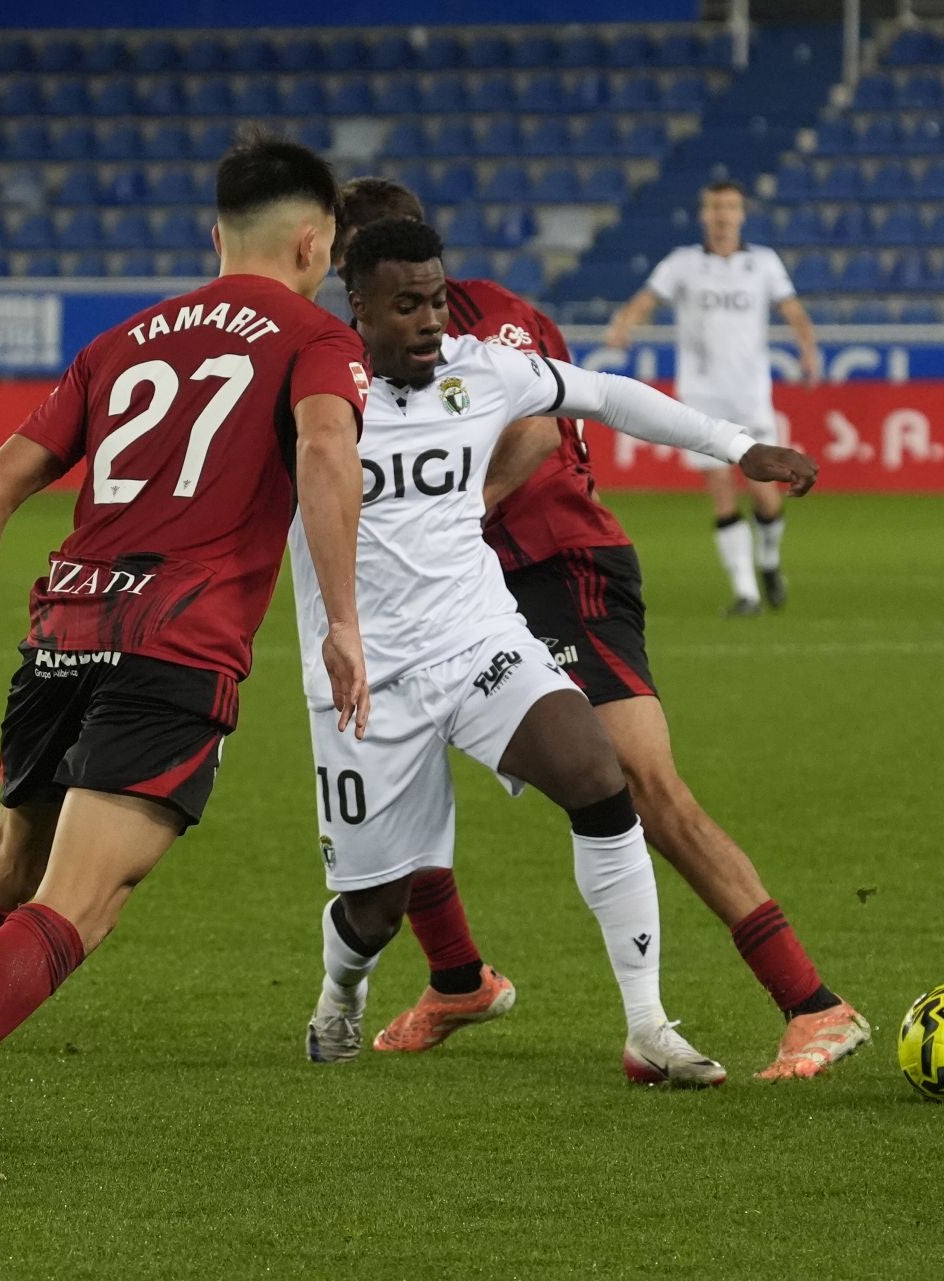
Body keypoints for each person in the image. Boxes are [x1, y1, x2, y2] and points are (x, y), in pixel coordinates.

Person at [0, 135, 373, 1184]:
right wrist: (342, 619)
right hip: (174, 643)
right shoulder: (316, 337)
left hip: (63, 631)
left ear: (216, 236)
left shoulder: (122, 340)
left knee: (10, 862)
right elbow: (321, 448)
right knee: (82, 898)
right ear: (314, 242)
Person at [332, 178, 869, 1083]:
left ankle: (811, 1002)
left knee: (639, 784)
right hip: (467, 589)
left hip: (559, 563)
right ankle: (457, 976)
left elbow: (542, 432)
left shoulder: (487, 323)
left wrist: (453, 512)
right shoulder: (358, 348)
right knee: (396, 760)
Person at [605, 180, 822, 617]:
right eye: (716, 207)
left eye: (730, 207)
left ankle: (769, 560)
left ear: (741, 214)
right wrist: (624, 323)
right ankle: (746, 593)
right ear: (704, 214)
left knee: (765, 493)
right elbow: (647, 299)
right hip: (702, 396)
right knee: (721, 490)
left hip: (750, 394)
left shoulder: (763, 263)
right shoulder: (683, 263)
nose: (723, 215)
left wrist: (808, 349)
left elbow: (792, 310)